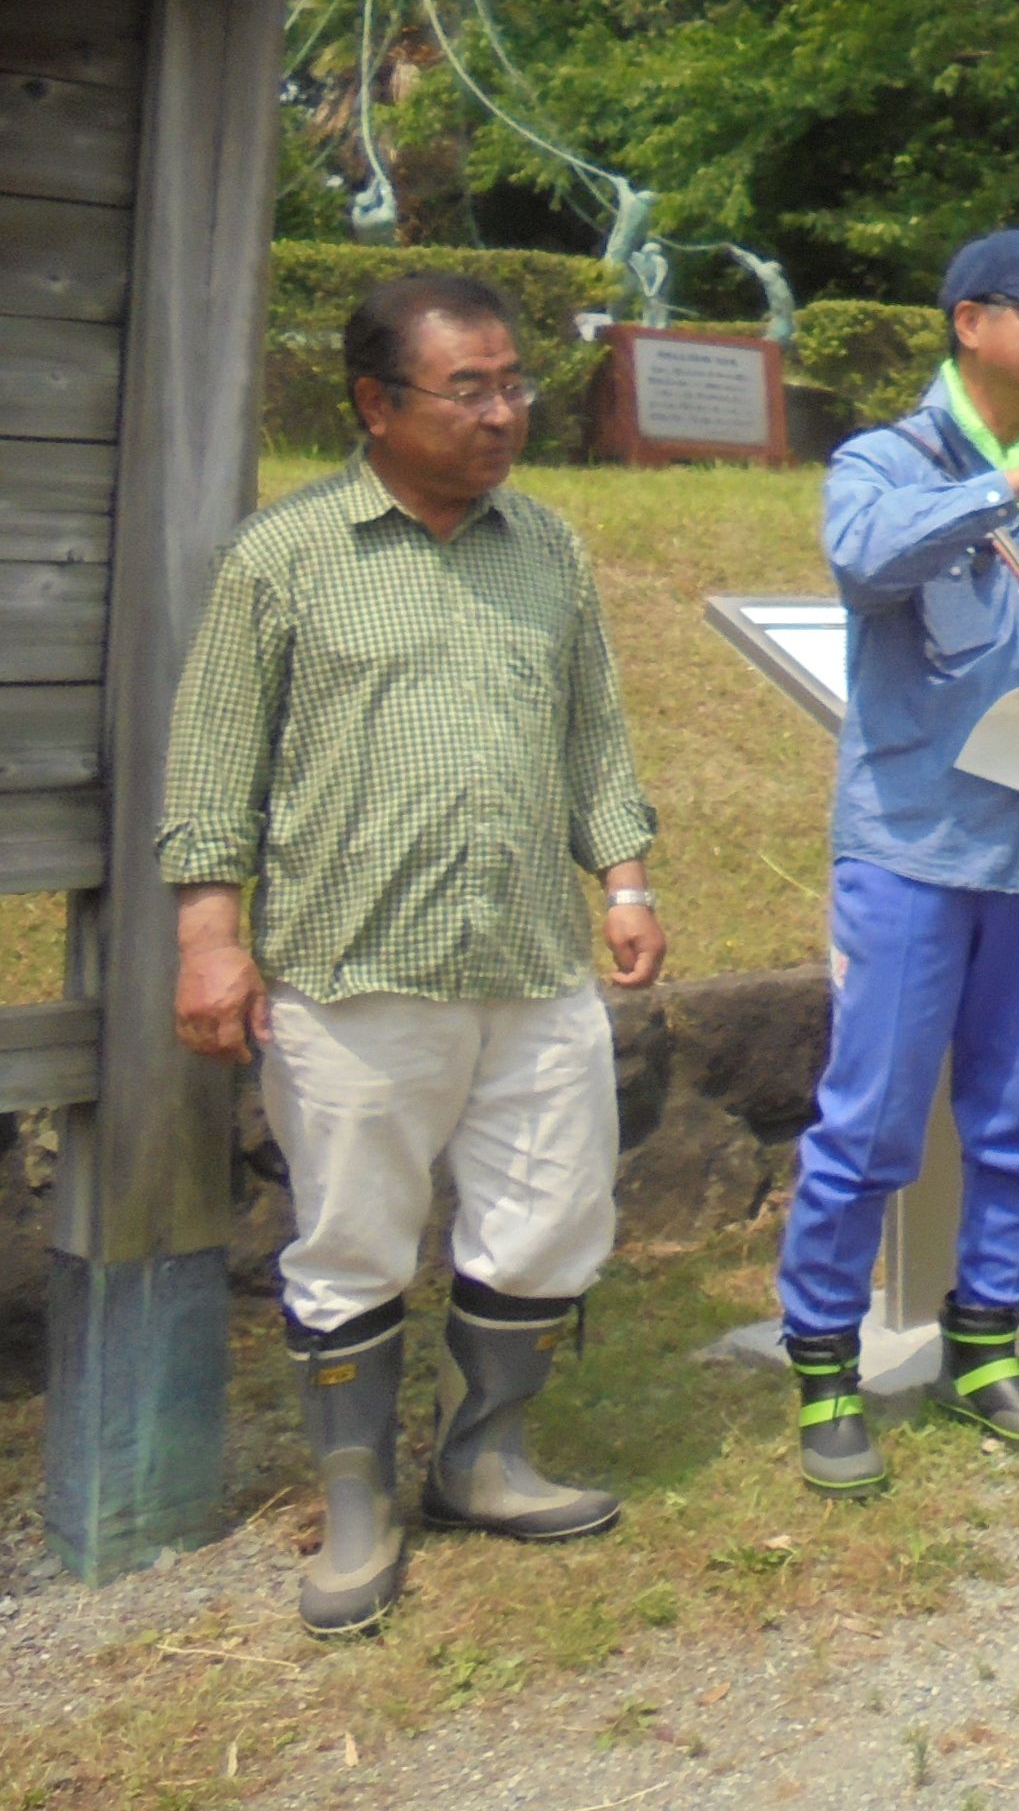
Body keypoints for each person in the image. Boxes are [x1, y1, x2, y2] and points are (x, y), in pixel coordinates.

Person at [163, 273, 663, 1637]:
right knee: (350, 1238)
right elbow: (214, 769)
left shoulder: (546, 549)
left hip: (529, 959)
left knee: (554, 1217)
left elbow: (591, 734)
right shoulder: (288, 557)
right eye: (471, 389)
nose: (505, 412)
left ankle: (482, 1458)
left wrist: (622, 875)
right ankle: (356, 1502)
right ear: (378, 404)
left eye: (514, 385)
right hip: (351, 969)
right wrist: (211, 938)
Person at [776, 227, 1019, 1495]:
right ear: (967, 324)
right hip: (917, 846)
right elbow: (864, 561)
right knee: (872, 1118)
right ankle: (825, 1361)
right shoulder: (885, 461)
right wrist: (1006, 494)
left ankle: (985, 1343)